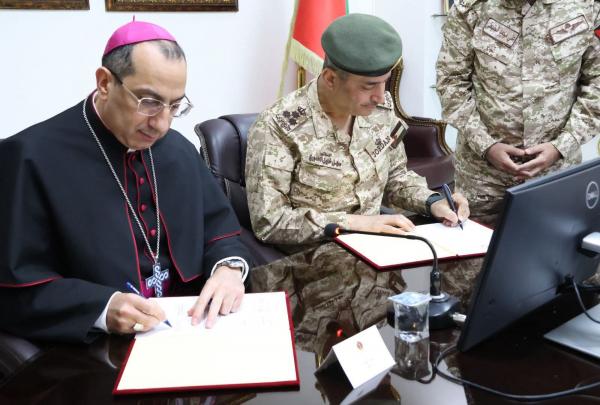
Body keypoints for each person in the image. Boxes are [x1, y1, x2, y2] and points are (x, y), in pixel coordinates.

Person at [0, 20, 251, 342]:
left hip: (193, 329)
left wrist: (229, 269)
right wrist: (102, 308)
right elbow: (16, 286)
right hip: (94, 347)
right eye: (149, 102)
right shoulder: (29, 157)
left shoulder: (176, 149)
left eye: (175, 105)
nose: (162, 124)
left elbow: (220, 230)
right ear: (105, 83)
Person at [245, 13, 469, 252]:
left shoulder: (381, 110)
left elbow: (396, 177)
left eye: (384, 82)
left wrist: (433, 201)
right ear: (331, 79)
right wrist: (354, 223)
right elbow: (269, 221)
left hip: (378, 253)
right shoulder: (278, 126)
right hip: (314, 262)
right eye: (368, 86)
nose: (380, 96)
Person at [436, 0, 600, 226]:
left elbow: (597, 84)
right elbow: (451, 83)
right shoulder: (472, 7)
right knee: (475, 248)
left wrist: (562, 146)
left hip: (555, 175)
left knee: (551, 247)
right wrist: (486, 145)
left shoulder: (587, 6)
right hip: (482, 180)